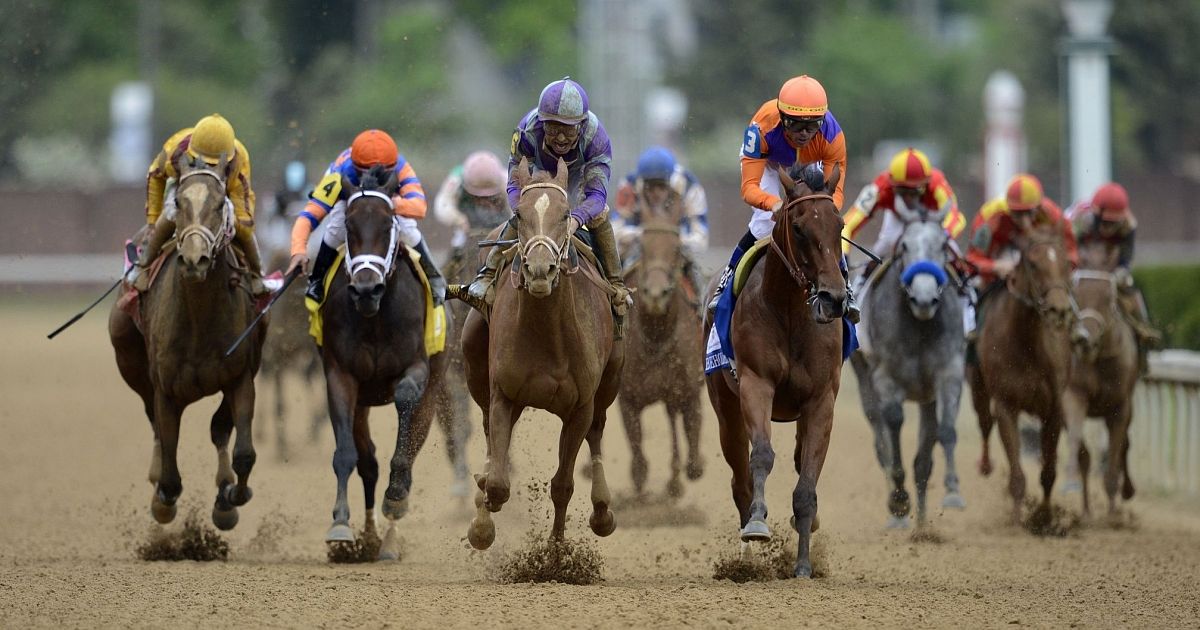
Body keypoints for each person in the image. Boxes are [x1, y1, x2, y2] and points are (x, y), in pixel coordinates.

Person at [464, 77, 632, 334]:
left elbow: (597, 196)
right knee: (526, 214)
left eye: (569, 129)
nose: (561, 137)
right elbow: (513, 182)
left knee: (600, 215)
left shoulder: (596, 138)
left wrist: (575, 219)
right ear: (542, 123)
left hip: (578, 181)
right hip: (538, 178)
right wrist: (523, 208)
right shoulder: (527, 131)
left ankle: (616, 284)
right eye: (552, 128)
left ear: (581, 125)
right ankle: (488, 274)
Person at [706, 75, 856, 321]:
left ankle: (845, 287)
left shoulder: (832, 136)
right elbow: (749, 188)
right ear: (782, 117)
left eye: (812, 125)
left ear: (822, 121)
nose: (804, 133)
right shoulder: (762, 127)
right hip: (769, 163)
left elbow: (835, 194)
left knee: (822, 224)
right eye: (795, 124)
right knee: (764, 223)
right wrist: (775, 204)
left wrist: (821, 215)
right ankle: (726, 282)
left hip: (809, 163)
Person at [285, 129, 445, 305]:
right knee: (336, 227)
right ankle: (317, 280)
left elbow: (419, 208)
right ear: (355, 169)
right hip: (349, 199)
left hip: (387, 200)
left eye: (380, 175)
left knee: (408, 228)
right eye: (366, 174)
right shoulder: (338, 172)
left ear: (392, 168)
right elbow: (309, 216)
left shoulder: (401, 167)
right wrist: (298, 251)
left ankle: (434, 277)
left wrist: (389, 204)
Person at [128, 113, 265, 295]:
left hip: (221, 194)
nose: (208, 168)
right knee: (170, 214)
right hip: (185, 188)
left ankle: (257, 274)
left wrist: (237, 223)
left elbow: (245, 217)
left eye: (214, 165)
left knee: (246, 232)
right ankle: (143, 266)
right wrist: (152, 222)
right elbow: (155, 176)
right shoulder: (175, 151)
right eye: (204, 162)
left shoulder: (239, 161)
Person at [966, 173, 1078, 337]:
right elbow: (971, 261)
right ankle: (976, 333)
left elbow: (1072, 254)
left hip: (1039, 266)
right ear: (1008, 207)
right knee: (981, 285)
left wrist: (1058, 271)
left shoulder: (1053, 215)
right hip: (1000, 260)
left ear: (1038, 207)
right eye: (1017, 214)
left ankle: (1076, 327)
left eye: (1029, 213)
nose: (1024, 220)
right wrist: (995, 267)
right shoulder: (989, 216)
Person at [1069, 181, 1162, 351]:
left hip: (1110, 265)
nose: (1109, 228)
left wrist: (1119, 274)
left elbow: (1126, 260)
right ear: (1096, 216)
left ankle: (1143, 326)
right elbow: (1068, 248)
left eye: (1114, 223)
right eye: (1105, 223)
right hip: (1082, 263)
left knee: (1128, 284)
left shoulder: (1129, 224)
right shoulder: (1079, 220)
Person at [842, 147, 966, 272]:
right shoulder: (881, 186)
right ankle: (863, 279)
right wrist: (843, 255)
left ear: (926, 183)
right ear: (891, 184)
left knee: (953, 251)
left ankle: (964, 279)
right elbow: (847, 224)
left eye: (915, 192)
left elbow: (957, 218)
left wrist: (943, 234)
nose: (908, 198)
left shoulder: (937, 184)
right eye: (901, 191)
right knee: (885, 244)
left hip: (932, 220)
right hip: (898, 218)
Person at [613, 145, 709, 300]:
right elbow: (615, 232)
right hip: (639, 246)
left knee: (699, 273)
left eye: (661, 186)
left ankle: (701, 305)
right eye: (650, 187)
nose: (656, 193)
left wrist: (671, 240)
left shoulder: (690, 186)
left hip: (679, 247)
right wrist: (646, 236)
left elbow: (701, 237)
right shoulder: (629, 185)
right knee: (613, 267)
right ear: (642, 182)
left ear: (671, 182)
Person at [433, 150, 510, 281]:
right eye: (478, 196)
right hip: (466, 227)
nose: (483, 201)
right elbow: (442, 205)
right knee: (456, 251)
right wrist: (458, 219)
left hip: (501, 227)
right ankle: (443, 284)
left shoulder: (507, 179)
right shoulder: (456, 178)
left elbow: (517, 210)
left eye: (489, 196)